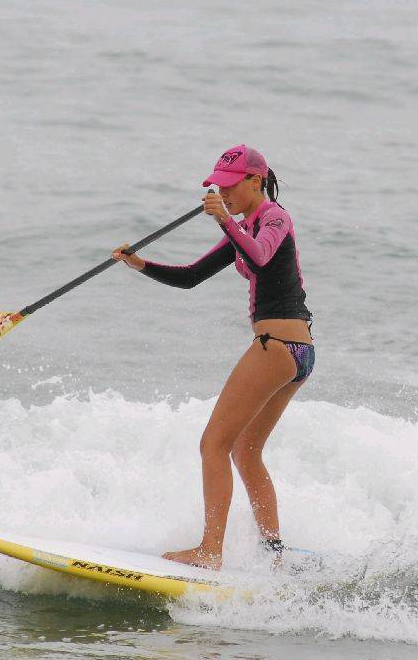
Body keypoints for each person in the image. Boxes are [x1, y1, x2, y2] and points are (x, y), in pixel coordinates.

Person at [112, 146, 315, 570]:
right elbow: (192, 276)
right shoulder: (242, 228)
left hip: (278, 345)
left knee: (213, 444)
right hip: (296, 352)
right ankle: (274, 554)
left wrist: (224, 220)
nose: (223, 194)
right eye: (218, 188)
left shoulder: (275, 218)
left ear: (255, 182)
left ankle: (210, 552)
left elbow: (260, 255)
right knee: (245, 450)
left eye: (230, 187)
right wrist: (140, 264)